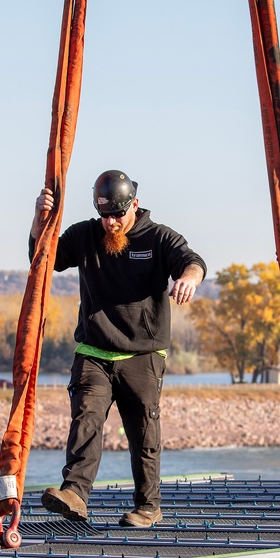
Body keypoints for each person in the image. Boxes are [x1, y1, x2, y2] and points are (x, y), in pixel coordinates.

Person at [32, 170, 207, 526]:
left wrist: (188, 279)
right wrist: (39, 219)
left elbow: (192, 262)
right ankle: (75, 495)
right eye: (104, 215)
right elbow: (42, 257)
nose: (111, 223)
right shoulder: (85, 235)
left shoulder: (159, 237)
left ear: (135, 205)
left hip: (143, 354)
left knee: (144, 432)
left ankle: (148, 506)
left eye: (117, 215)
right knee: (86, 420)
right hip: (94, 350)